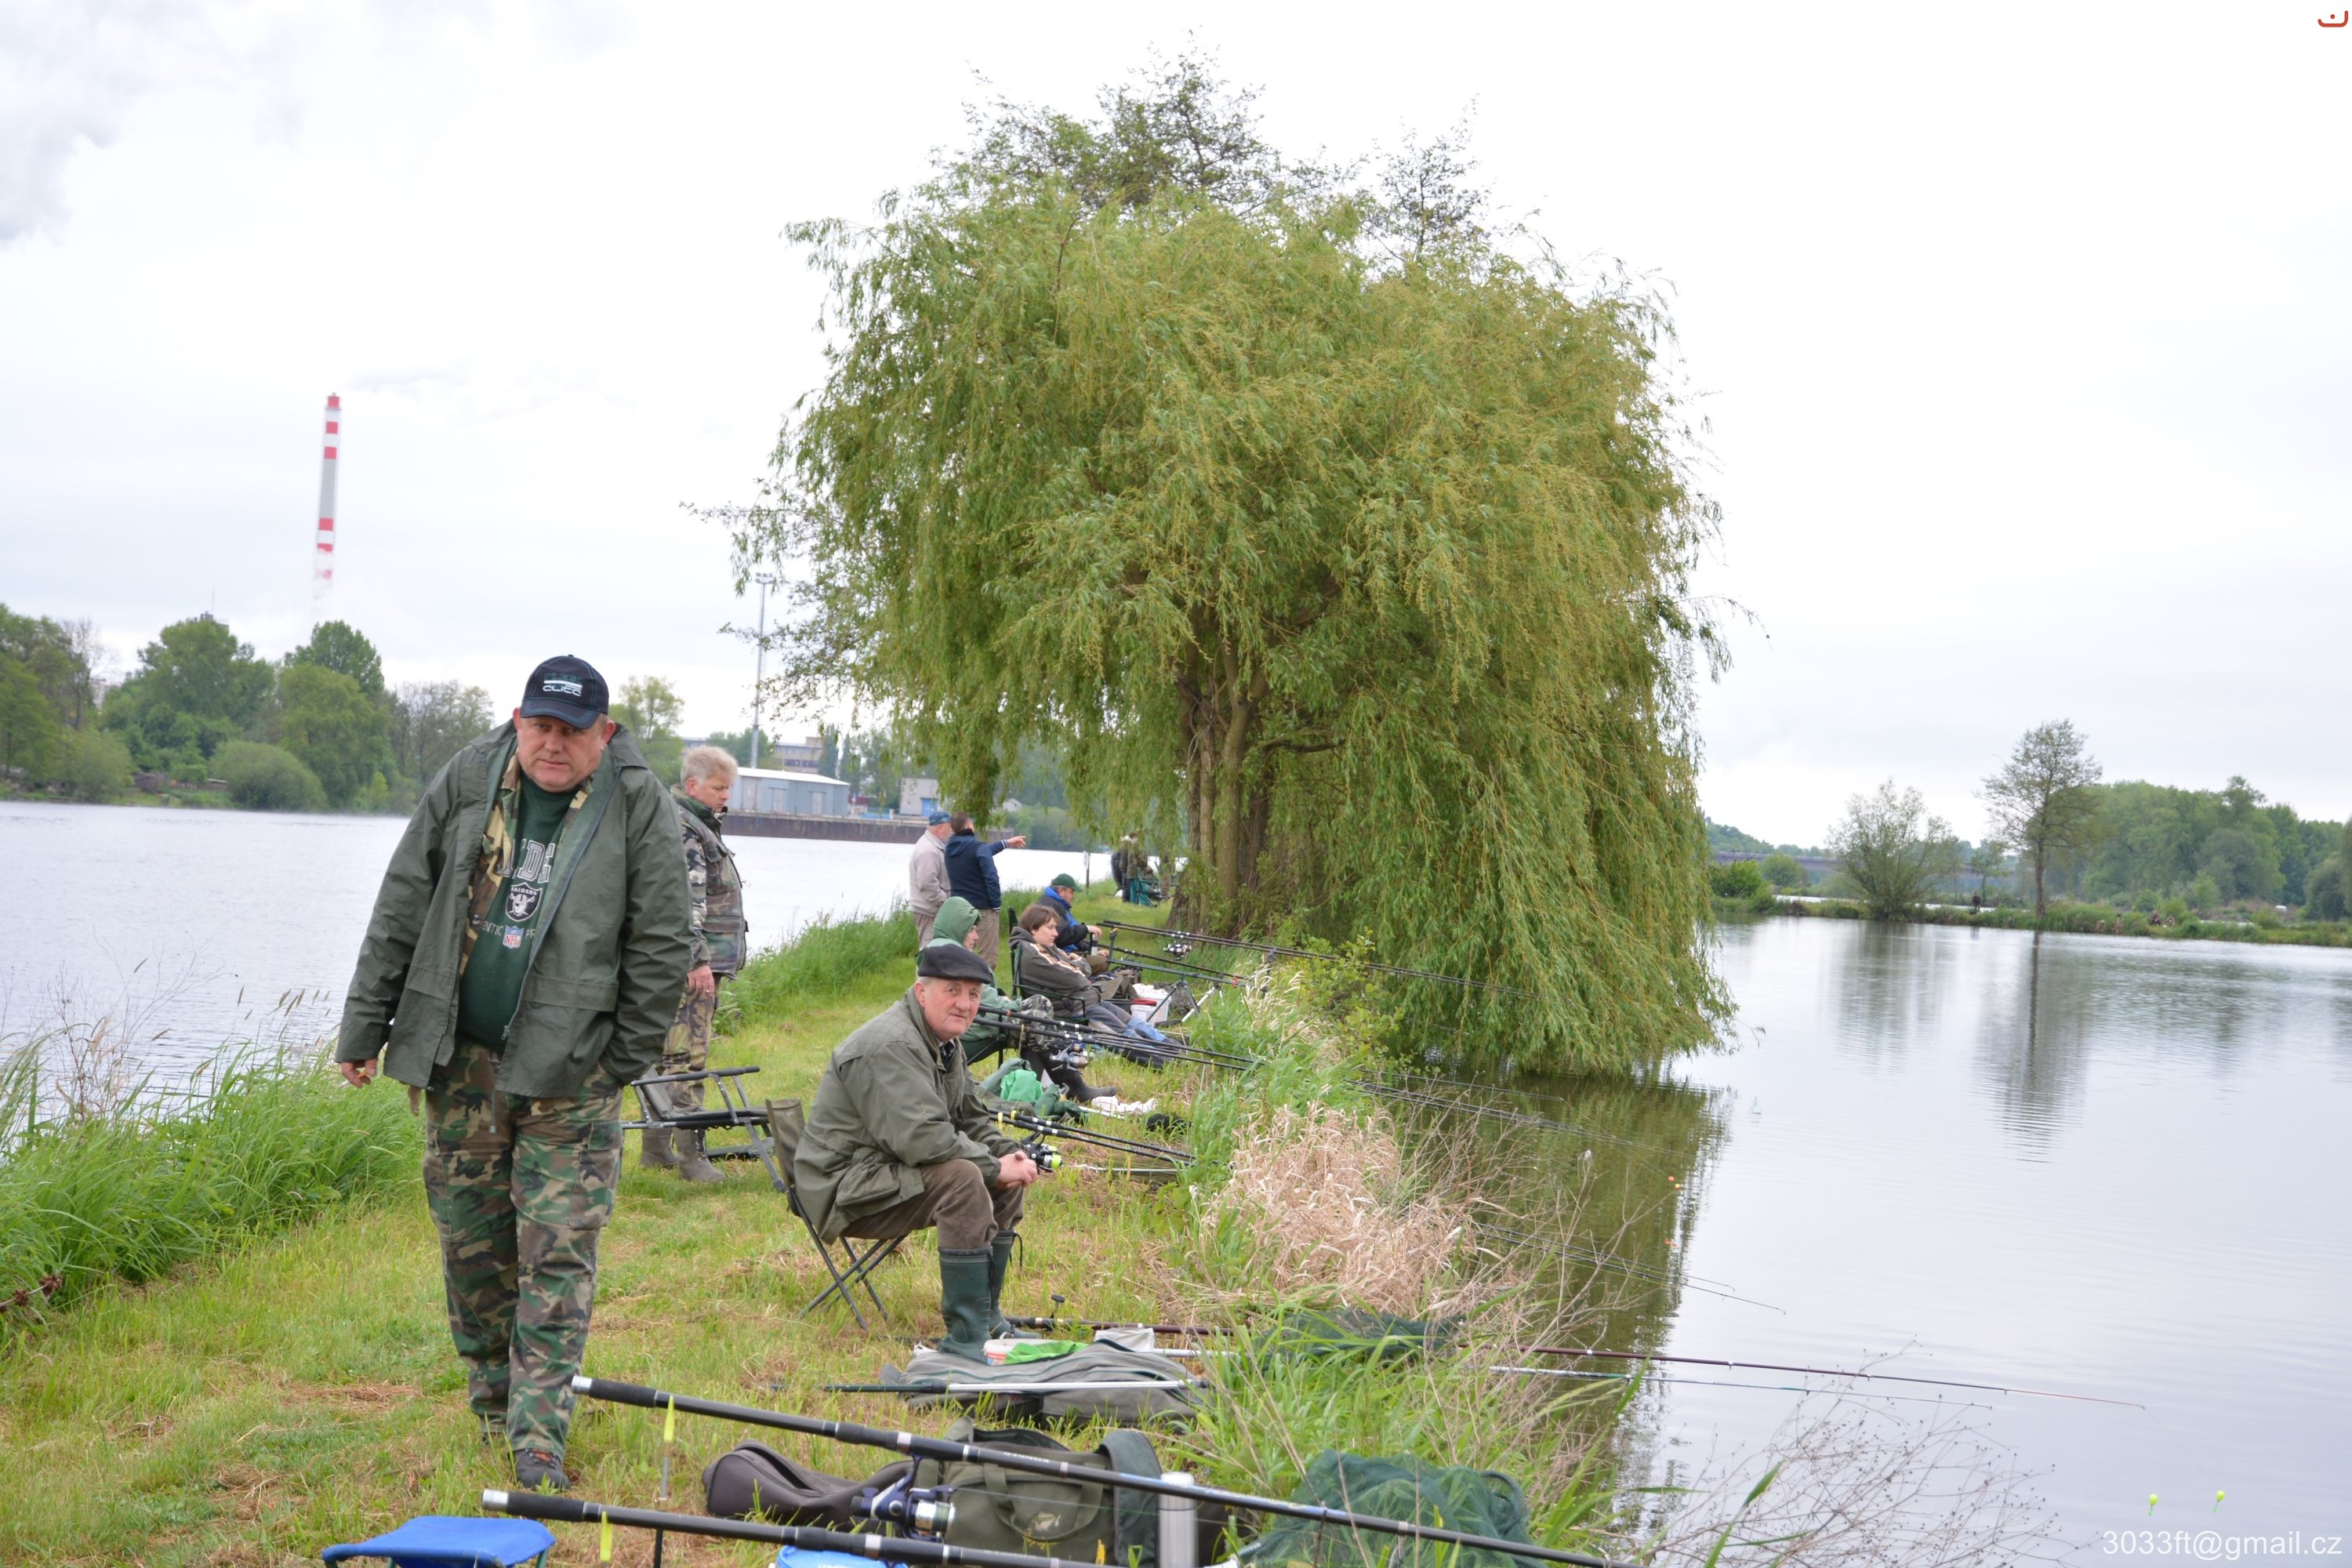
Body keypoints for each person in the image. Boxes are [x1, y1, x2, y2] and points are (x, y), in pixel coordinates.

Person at [335, 655, 691, 1494]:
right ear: (519, 719)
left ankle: (539, 1437)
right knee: (474, 1250)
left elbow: (664, 940)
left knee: (556, 1254)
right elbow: (402, 898)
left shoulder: (638, 802)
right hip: (459, 1062)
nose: (553, 744)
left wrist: (618, 1059)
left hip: (572, 1074)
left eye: (572, 730)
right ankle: (494, 1403)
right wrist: (365, 1025)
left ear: (604, 732)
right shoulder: (470, 776)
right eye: (541, 726)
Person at [793, 942, 1046, 1358]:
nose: (965, 1004)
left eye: (973, 994)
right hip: (842, 1187)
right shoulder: (892, 1045)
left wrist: (1011, 1154)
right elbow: (922, 1139)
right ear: (921, 992)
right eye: (953, 991)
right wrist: (992, 1166)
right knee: (966, 1178)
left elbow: (970, 1118)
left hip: (881, 1169)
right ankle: (966, 1339)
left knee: (999, 1177)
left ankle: (987, 1318)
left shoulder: (943, 1041)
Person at [643, 744, 749, 1184]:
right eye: (719, 788)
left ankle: (655, 1149)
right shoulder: (687, 827)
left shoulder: (695, 823)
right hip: (692, 965)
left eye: (728, 788)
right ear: (692, 785)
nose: (725, 795)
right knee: (689, 1058)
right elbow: (687, 901)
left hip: (688, 961)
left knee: (668, 1053)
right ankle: (691, 1158)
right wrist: (697, 960)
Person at [928, 895, 1117, 1106]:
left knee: (1036, 1014)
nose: (976, 936)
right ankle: (1070, 1088)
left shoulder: (944, 948)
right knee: (1036, 1016)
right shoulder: (950, 953)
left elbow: (982, 994)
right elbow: (980, 998)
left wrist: (1008, 1002)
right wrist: (1013, 1005)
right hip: (972, 1028)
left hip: (977, 1020)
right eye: (971, 930)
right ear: (958, 927)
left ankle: (1030, 1088)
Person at [1010, 902, 1174, 1051]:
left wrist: (1077, 965)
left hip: (1087, 999)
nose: (1056, 933)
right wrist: (1077, 967)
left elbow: (1081, 963)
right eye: (1051, 928)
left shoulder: (1046, 946)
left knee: (1136, 1022)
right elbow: (1077, 978)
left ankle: (1175, 1048)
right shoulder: (1034, 953)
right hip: (1075, 1007)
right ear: (1034, 929)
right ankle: (1166, 1061)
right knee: (1126, 1034)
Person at [942, 811, 1026, 970]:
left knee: (964, 955)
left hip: (960, 910)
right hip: (983, 909)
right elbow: (991, 878)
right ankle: (983, 985)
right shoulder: (977, 848)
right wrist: (996, 905)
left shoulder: (949, 850)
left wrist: (1006, 843)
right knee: (987, 959)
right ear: (969, 826)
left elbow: (982, 852)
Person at [909, 810, 953, 947]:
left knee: (937, 951)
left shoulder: (934, 847)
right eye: (950, 827)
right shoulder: (928, 850)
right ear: (940, 828)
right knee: (928, 951)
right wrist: (945, 903)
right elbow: (927, 884)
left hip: (932, 910)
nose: (952, 832)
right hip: (928, 912)